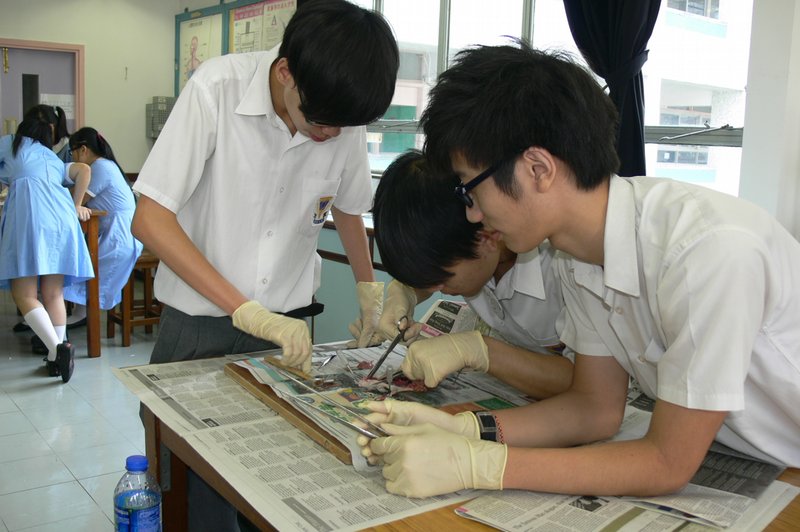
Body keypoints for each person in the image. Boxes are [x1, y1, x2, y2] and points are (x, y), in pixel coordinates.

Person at [358, 41, 800, 499]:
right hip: (754, 457)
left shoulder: (706, 252)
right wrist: (466, 429)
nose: (473, 214)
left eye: (471, 189)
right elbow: (594, 409)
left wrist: (479, 465)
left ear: (538, 168)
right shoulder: (580, 256)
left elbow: (666, 463)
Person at [131, 1, 398, 529]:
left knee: (278, 486)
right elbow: (151, 218)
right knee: (195, 492)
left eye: (343, 127)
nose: (329, 136)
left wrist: (369, 291)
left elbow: (348, 207)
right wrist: (246, 311)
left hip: (287, 335)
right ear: (285, 73)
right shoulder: (216, 89)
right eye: (320, 123)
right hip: (199, 328)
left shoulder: (336, 112)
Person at [369, 149, 572, 398]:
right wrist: (404, 292)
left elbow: (592, 385)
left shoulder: (560, 262)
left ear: (484, 230)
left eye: (442, 279)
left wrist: (480, 350)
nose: (435, 289)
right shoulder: (472, 258)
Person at [0, 107, 94, 383]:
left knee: (24, 294)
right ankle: (57, 359)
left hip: (31, 216)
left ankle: (56, 349)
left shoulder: (11, 142)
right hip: (62, 219)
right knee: (53, 293)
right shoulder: (51, 157)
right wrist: (76, 205)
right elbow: (84, 169)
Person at [63, 127, 143, 323]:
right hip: (116, 232)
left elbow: (76, 199)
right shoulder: (105, 165)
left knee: (79, 266)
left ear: (83, 150)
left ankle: (82, 313)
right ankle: (80, 312)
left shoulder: (100, 168)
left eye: (72, 153)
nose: (72, 158)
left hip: (120, 237)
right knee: (79, 262)